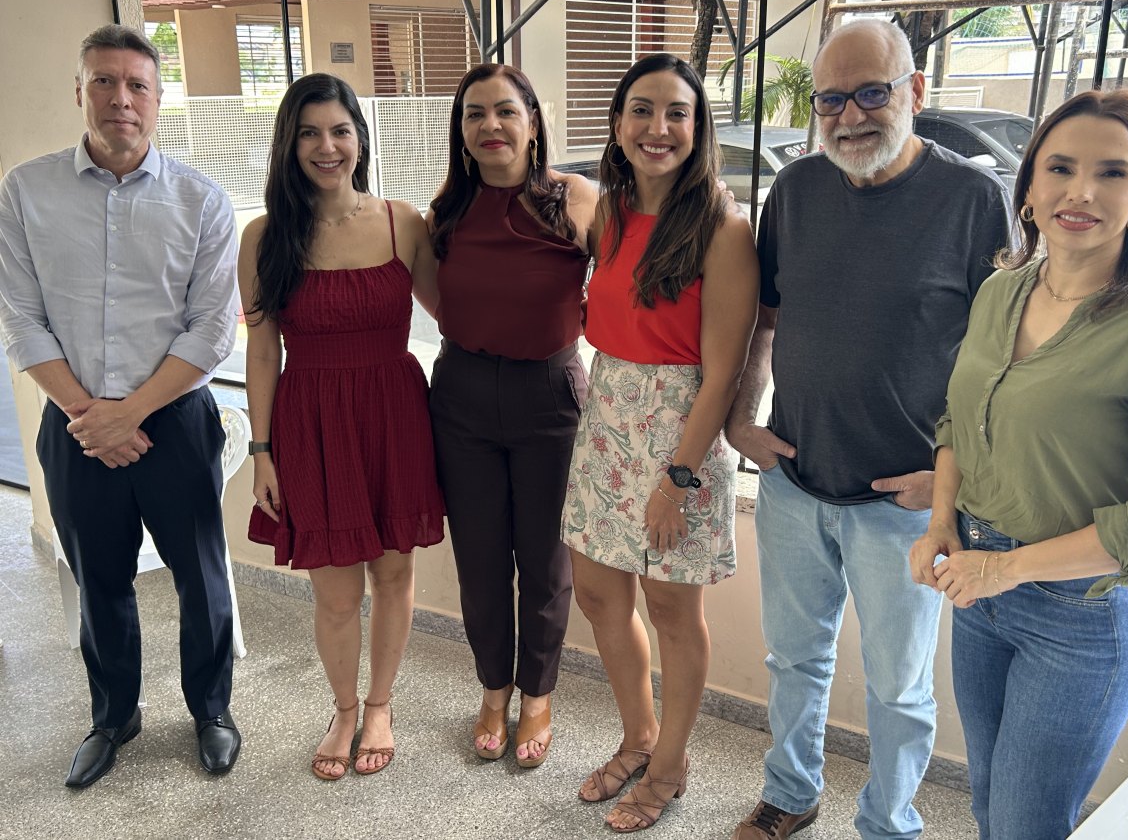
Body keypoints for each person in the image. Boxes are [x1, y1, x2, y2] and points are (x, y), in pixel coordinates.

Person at [724, 19, 1012, 840]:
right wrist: (743, 417)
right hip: (794, 482)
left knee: (899, 687)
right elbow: (767, 320)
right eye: (831, 100)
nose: (849, 116)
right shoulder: (795, 191)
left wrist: (953, 479)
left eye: (872, 93)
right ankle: (790, 793)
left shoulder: (973, 201)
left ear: (915, 91)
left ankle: (888, 824)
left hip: (907, 505)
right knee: (794, 660)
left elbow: (1005, 364)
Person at [909, 89, 1128, 840]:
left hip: (1085, 615)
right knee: (987, 805)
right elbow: (958, 420)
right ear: (1029, 188)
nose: (1081, 192)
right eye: (1061, 168)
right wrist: (941, 523)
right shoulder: (1001, 291)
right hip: (980, 586)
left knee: (1025, 823)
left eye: (1111, 173)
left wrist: (1006, 569)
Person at [0, 24, 241, 787]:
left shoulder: (202, 200)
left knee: (200, 575)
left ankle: (212, 711)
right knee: (97, 577)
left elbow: (211, 330)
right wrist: (91, 415)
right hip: (75, 424)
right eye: (104, 81)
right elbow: (21, 319)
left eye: (137, 85)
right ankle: (114, 717)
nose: (121, 99)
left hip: (176, 421)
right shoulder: (25, 191)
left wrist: (129, 412)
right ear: (80, 91)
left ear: (159, 99)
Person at [564, 53, 758, 832]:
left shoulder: (723, 228)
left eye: (677, 112)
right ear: (617, 123)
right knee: (597, 594)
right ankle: (639, 736)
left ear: (698, 127)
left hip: (680, 434)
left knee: (673, 610)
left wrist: (678, 480)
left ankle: (671, 765)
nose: (658, 127)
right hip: (607, 417)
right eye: (641, 109)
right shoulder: (606, 213)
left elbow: (725, 372)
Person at [240, 73, 444, 780]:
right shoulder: (264, 236)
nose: (327, 147)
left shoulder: (402, 222)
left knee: (393, 571)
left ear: (360, 138)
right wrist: (262, 451)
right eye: (309, 133)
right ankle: (344, 709)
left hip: (394, 415)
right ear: (289, 144)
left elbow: (457, 314)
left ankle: (380, 704)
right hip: (311, 423)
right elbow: (261, 350)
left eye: (340, 131)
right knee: (333, 592)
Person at [426, 64, 596, 768]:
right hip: (461, 394)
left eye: (504, 110)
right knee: (480, 559)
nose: (489, 125)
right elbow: (439, 298)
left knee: (545, 560)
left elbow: (626, 276)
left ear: (532, 121)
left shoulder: (575, 198)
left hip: (549, 392)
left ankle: (538, 695)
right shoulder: (446, 210)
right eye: (474, 114)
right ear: (462, 132)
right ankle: (493, 688)